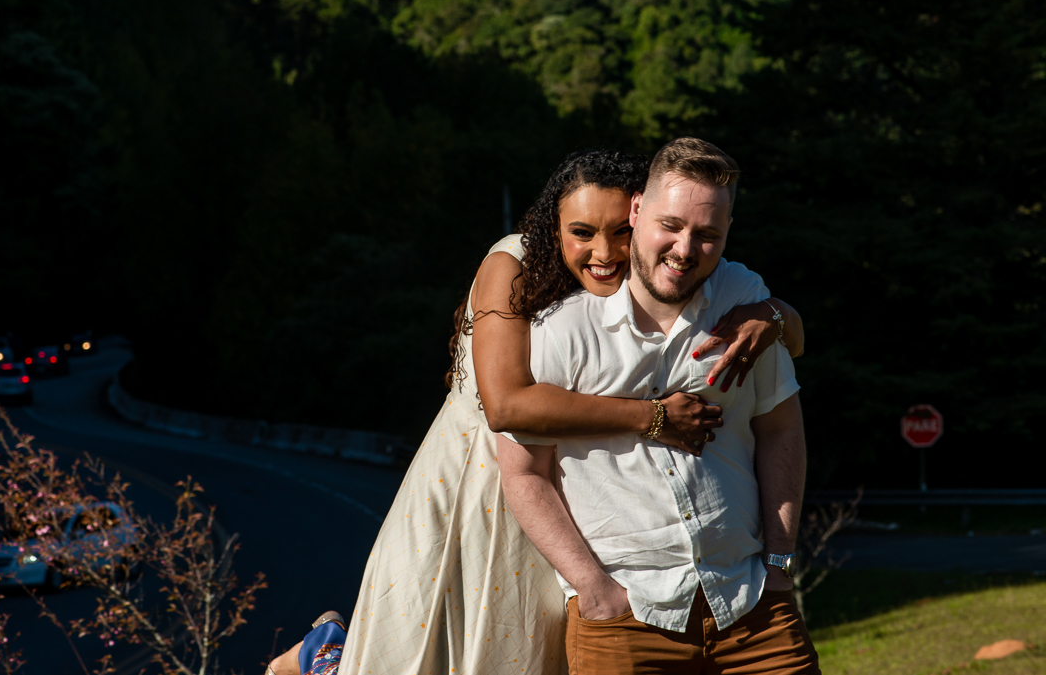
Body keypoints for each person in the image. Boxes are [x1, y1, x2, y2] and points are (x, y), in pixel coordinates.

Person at [266, 148, 805, 675]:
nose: (605, 251)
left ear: (637, 217)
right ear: (555, 229)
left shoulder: (660, 282)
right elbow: (507, 406)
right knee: (425, 646)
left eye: (619, 231)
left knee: (525, 653)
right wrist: (655, 418)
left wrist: (774, 316)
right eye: (583, 232)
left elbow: (792, 342)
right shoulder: (513, 267)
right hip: (478, 481)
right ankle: (324, 658)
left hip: (568, 496)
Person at [498, 138, 819, 674]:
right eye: (670, 225)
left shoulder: (744, 300)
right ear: (637, 210)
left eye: (707, 234)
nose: (685, 249)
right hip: (627, 615)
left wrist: (779, 565)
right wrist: (594, 590)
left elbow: (782, 429)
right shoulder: (563, 330)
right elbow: (525, 473)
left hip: (751, 602)